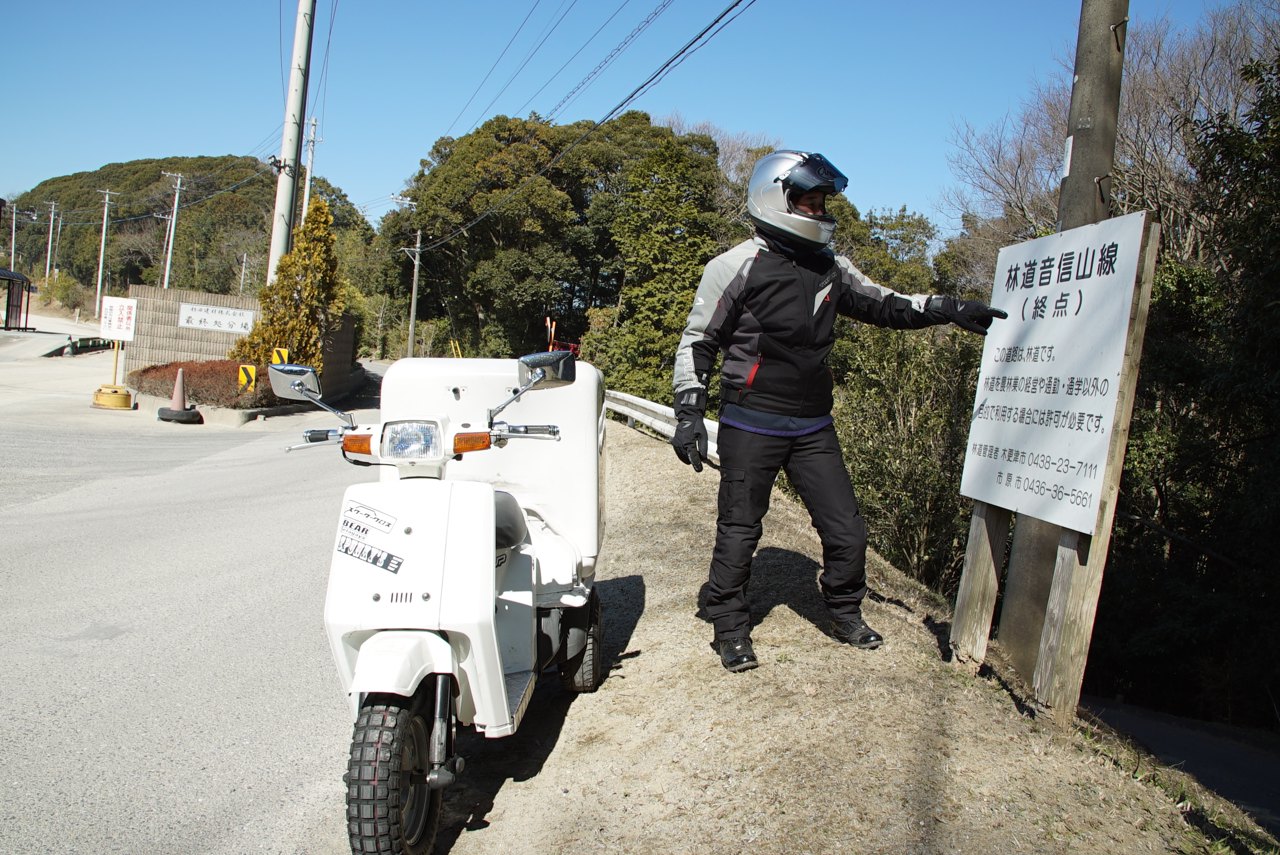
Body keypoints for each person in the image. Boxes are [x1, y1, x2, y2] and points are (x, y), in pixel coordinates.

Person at [671, 150, 1006, 673]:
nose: (818, 209)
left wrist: (950, 308)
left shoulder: (831, 266)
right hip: (751, 419)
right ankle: (730, 626)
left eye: (822, 201)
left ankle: (845, 611)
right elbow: (699, 339)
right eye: (807, 200)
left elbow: (886, 303)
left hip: (812, 423)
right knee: (740, 529)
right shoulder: (734, 265)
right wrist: (689, 410)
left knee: (847, 529)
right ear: (775, 198)